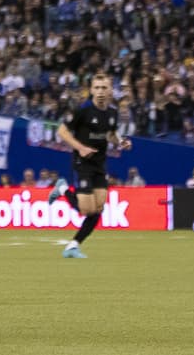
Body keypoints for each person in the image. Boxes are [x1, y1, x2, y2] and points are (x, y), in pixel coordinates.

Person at [48, 72, 132, 259]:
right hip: (82, 163)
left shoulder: (112, 113)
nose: (100, 91)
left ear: (110, 91)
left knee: (98, 209)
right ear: (91, 90)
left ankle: (73, 245)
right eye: (97, 88)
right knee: (86, 210)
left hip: (100, 164)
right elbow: (62, 131)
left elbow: (110, 134)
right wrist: (81, 148)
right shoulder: (83, 111)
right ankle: (62, 189)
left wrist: (121, 142)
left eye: (104, 88)